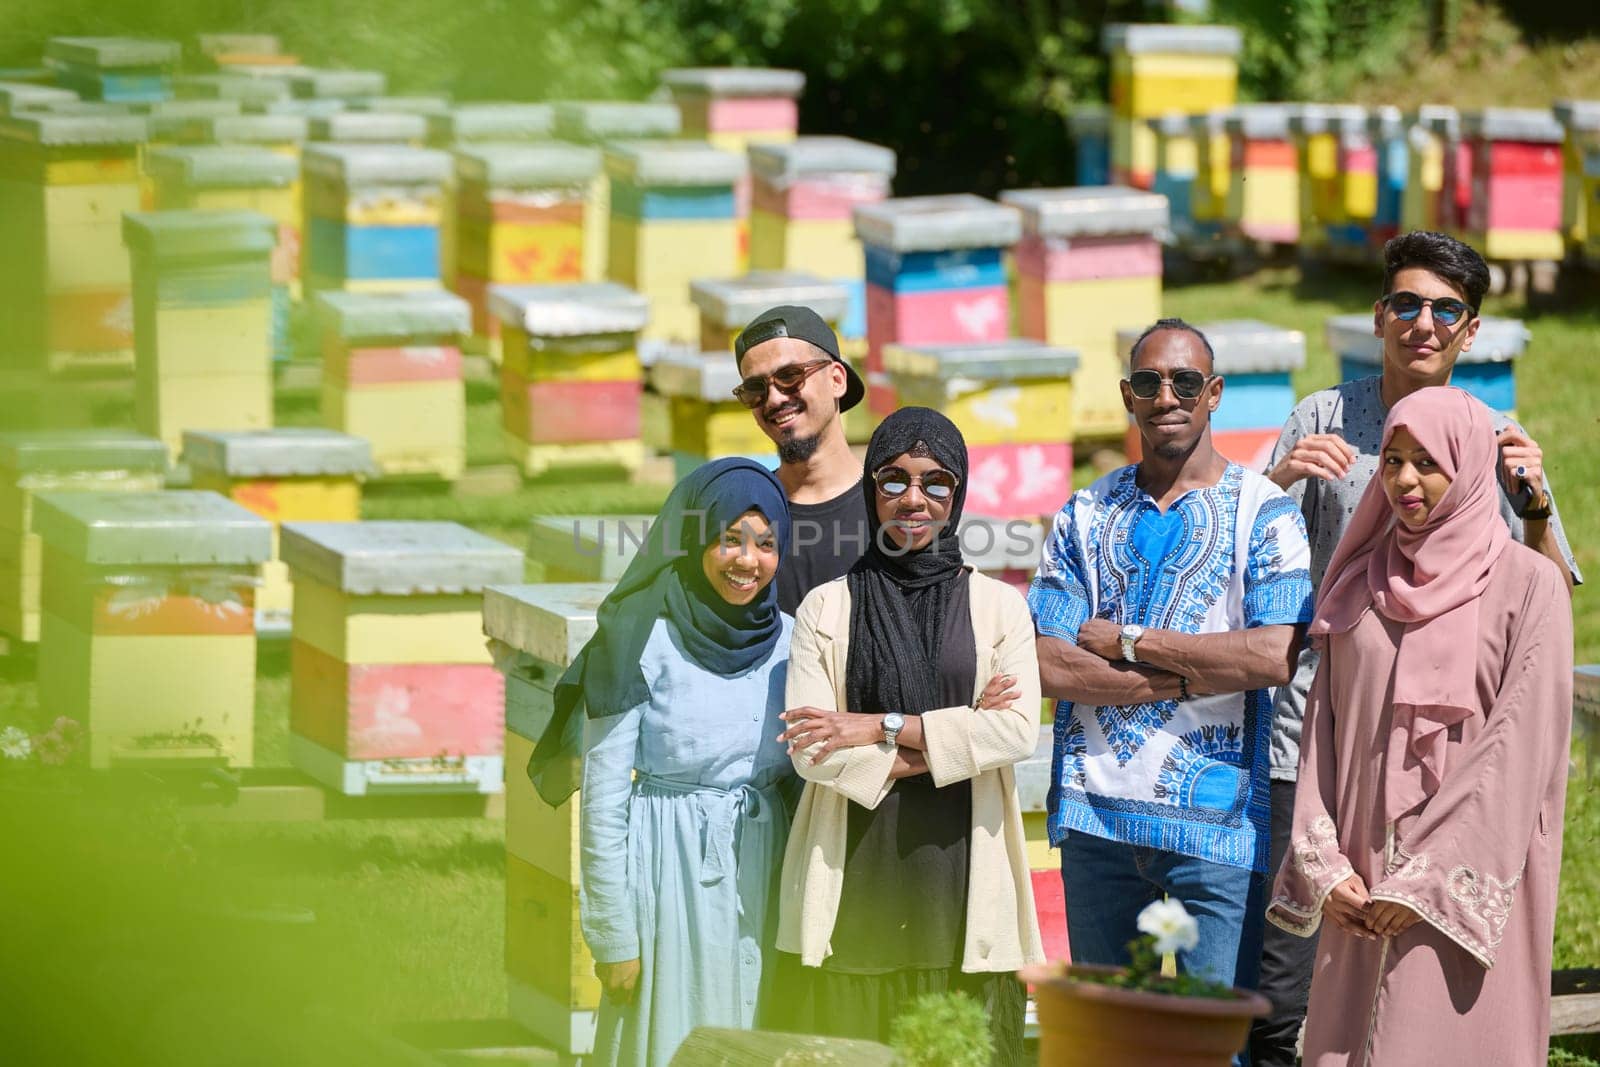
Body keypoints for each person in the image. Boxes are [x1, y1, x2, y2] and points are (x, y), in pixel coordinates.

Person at [1251, 230, 1581, 1066]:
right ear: (1379, 314)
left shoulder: (1496, 440)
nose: (1403, 483)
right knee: (1286, 1001)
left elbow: (1542, 617)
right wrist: (1280, 480)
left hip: (1457, 775)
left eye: (1445, 309)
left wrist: (1534, 508)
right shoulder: (1319, 418)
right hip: (1330, 751)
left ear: (1471, 330)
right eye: (1406, 303)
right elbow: (1243, 558)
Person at [1028, 319, 1314, 997]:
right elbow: (1045, 658)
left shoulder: (1265, 512)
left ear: (1213, 393)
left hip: (1216, 827)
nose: (1168, 397)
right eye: (1150, 382)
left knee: (1211, 1045)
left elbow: (1273, 653)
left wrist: (1128, 642)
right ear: (1128, 395)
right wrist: (1188, 676)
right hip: (1096, 818)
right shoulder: (1084, 511)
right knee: (1106, 1036)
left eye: (1186, 381)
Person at [771, 407, 1044, 1061]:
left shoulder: (1000, 606)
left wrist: (876, 725)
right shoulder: (826, 607)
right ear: (870, 489)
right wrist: (953, 742)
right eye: (892, 479)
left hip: (961, 895)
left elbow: (1015, 731)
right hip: (854, 890)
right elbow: (812, 750)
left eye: (934, 481)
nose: (913, 498)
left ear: (958, 494)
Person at [526, 458, 796, 1067]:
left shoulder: (794, 640)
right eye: (729, 540)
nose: (746, 561)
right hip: (666, 875)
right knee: (672, 1035)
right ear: (696, 540)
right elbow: (602, 799)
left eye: (766, 543)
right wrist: (614, 936)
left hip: (763, 866)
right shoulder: (642, 642)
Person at [733, 305, 870, 614]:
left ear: (837, 379)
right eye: (755, 389)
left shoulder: (891, 510)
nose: (775, 399)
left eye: (790, 376)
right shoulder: (741, 516)